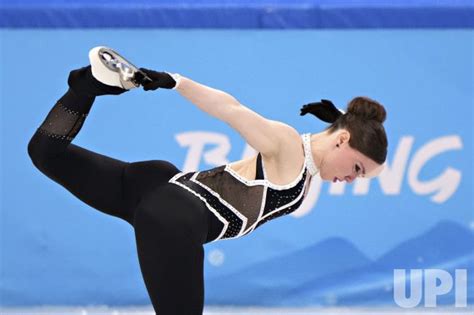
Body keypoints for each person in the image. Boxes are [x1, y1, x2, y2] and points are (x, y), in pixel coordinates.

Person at [27, 46, 388, 314]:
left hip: (158, 186)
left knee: (45, 152)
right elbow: (230, 109)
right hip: (174, 217)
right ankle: (90, 85)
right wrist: (175, 81)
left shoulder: (302, 166)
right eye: (357, 168)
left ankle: (87, 85)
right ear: (343, 140)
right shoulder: (289, 147)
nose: (353, 180)